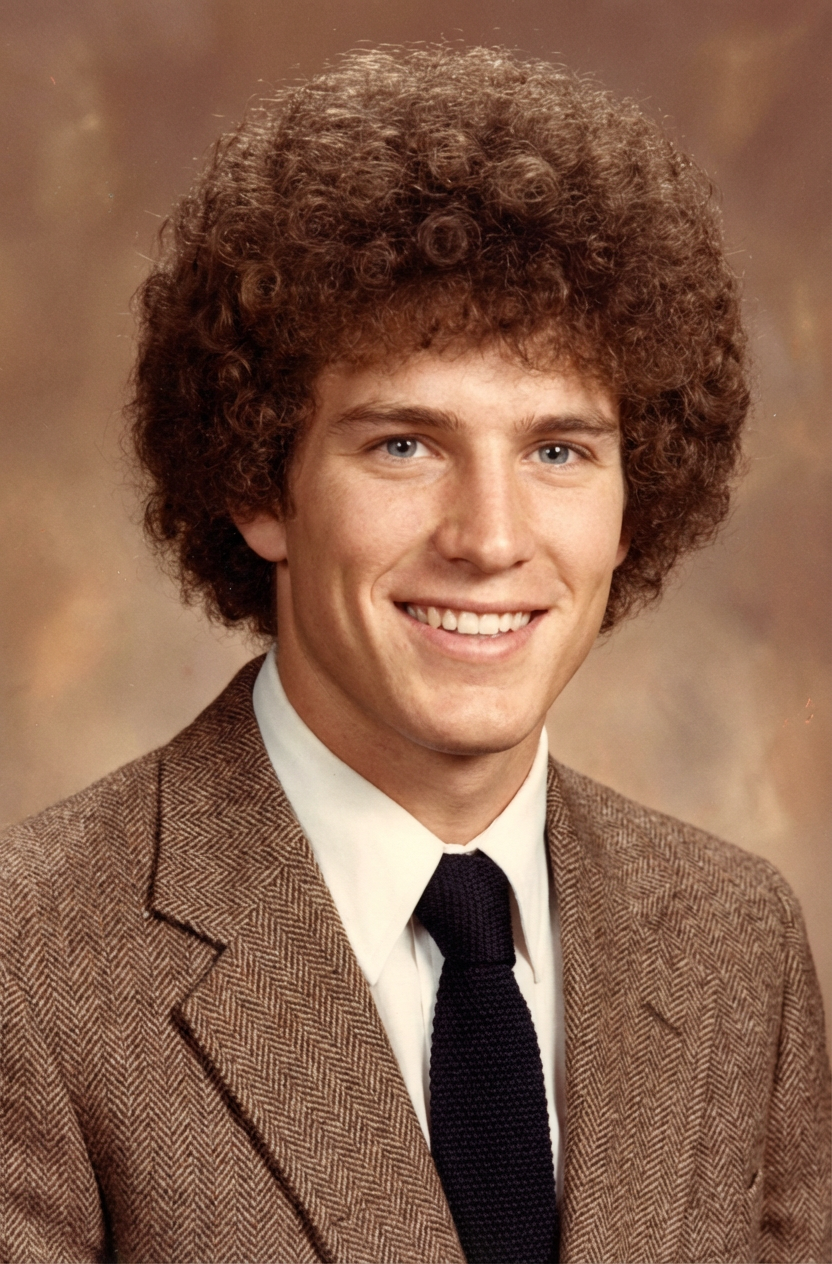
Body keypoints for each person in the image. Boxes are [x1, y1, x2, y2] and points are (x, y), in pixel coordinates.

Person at [1, 45, 829, 1264]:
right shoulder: (32, 961)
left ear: (631, 497)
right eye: (403, 445)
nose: (490, 539)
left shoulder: (733, 941)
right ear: (257, 483)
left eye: (557, 451)